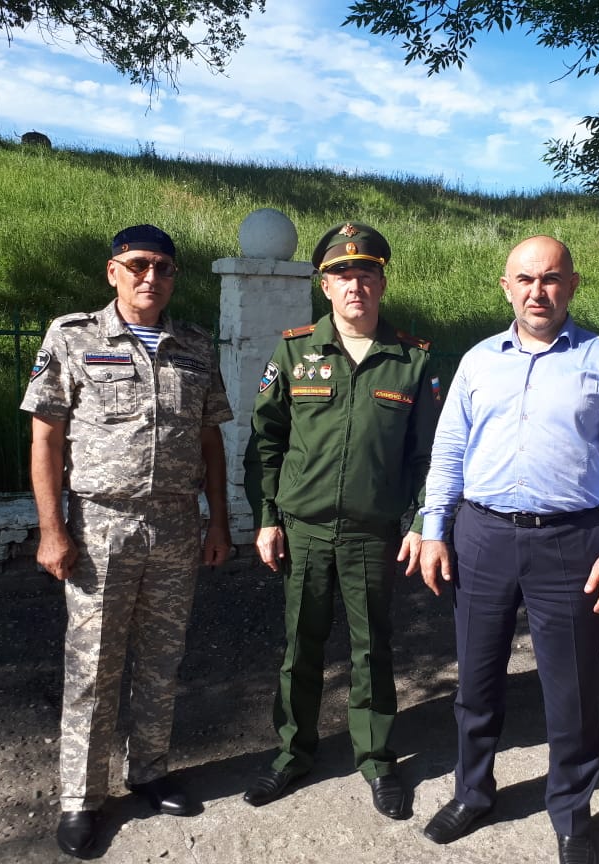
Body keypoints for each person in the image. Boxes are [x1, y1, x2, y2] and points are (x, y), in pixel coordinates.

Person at [415, 236, 599, 864]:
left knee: (571, 690)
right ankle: (473, 792)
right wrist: (435, 528)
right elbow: (449, 451)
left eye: (550, 278)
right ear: (506, 287)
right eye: (524, 279)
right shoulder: (477, 362)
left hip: (571, 543)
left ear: (572, 285)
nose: (537, 291)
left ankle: (572, 816)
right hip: (483, 537)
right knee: (475, 681)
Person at [21, 224, 234, 858]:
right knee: (93, 665)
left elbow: (210, 440)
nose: (151, 277)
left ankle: (149, 771)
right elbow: (46, 437)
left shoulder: (195, 346)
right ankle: (81, 797)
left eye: (163, 267)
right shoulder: (74, 336)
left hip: (175, 524)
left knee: (162, 658)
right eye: (138, 264)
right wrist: (52, 528)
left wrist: (218, 520)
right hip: (100, 524)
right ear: (113, 271)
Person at [242, 221, 441, 819]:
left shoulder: (411, 360)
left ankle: (376, 759)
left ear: (382, 282)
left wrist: (420, 522)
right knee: (300, 646)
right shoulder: (295, 352)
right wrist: (267, 518)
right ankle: (292, 753)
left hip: (371, 534)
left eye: (366, 274)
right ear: (324, 285)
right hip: (302, 531)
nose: (355, 286)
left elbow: (431, 455)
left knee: (372, 649)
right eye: (342, 275)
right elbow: (265, 442)